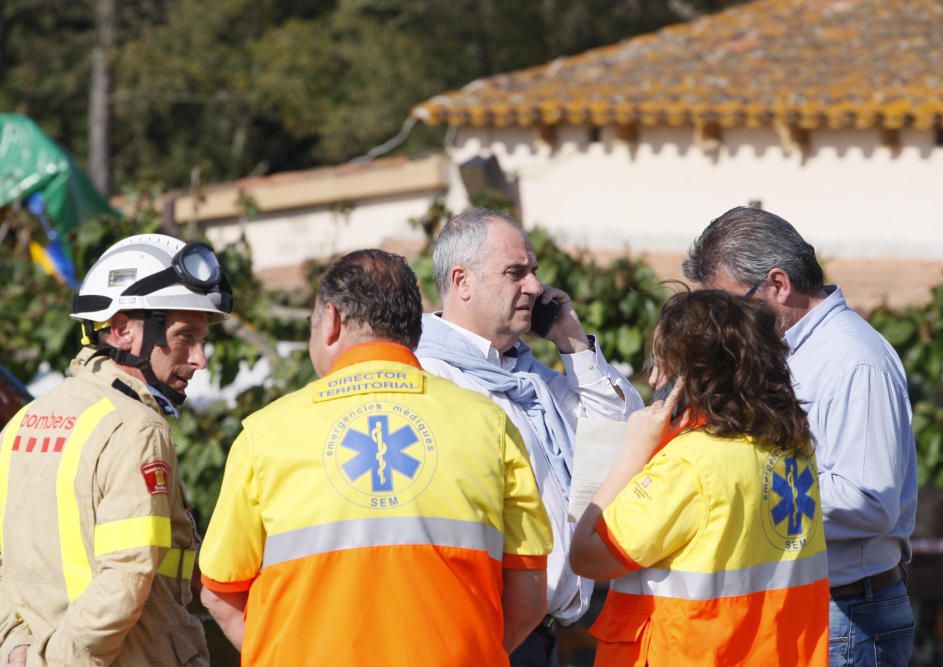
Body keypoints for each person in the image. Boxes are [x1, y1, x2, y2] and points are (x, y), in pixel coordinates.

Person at [198, 249, 552, 666]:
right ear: (413, 328)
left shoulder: (265, 435)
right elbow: (529, 596)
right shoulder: (488, 424)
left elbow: (220, 594)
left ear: (330, 320)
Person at [683, 206, 918, 666]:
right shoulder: (787, 352)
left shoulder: (853, 359)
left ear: (778, 284)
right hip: (805, 603)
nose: (724, 320)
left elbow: (868, 501)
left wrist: (744, 492)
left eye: (730, 304)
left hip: (846, 612)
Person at [415, 208, 644, 666]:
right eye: (516, 272)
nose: (536, 287)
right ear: (463, 282)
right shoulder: (427, 376)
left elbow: (620, 429)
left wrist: (573, 341)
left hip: (539, 636)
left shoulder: (527, 375)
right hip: (479, 632)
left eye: (534, 272)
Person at [0, 233, 232, 666]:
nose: (200, 359)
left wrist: (16, 649)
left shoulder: (22, 423)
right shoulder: (137, 429)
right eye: (185, 336)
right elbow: (127, 576)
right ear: (123, 329)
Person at [570, 289, 829, 666]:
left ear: (689, 375)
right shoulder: (792, 447)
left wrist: (633, 454)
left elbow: (586, 555)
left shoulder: (690, 464)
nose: (653, 376)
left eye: (660, 363)